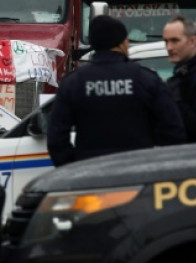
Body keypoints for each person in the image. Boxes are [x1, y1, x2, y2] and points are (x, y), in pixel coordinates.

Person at [48, 15, 186, 166]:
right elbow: (174, 130)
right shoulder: (146, 79)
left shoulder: (73, 83)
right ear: (122, 43)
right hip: (140, 172)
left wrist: (72, 168)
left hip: (89, 176)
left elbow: (56, 137)